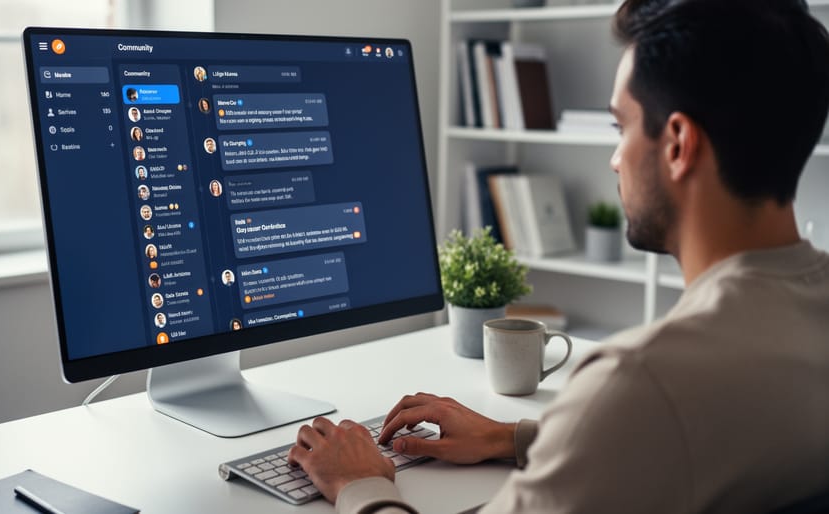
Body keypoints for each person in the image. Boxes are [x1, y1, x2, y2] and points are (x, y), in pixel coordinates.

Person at [289, 1, 829, 513]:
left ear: (678, 144)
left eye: (621, 128)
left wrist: (358, 483)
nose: (616, 160)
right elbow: (716, 435)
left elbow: (656, 418)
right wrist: (511, 436)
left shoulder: (643, 382)